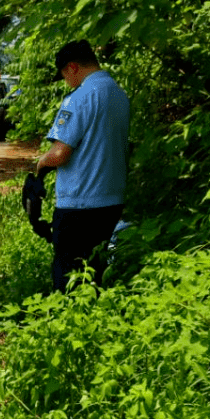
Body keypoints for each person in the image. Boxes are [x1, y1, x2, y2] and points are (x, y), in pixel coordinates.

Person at [36, 40, 130, 292]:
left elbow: (59, 154)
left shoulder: (80, 98)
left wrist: (40, 163)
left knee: (68, 272)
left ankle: (65, 322)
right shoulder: (119, 95)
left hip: (79, 203)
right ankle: (92, 321)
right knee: (95, 270)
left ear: (73, 67)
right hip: (111, 200)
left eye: (65, 75)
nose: (66, 81)